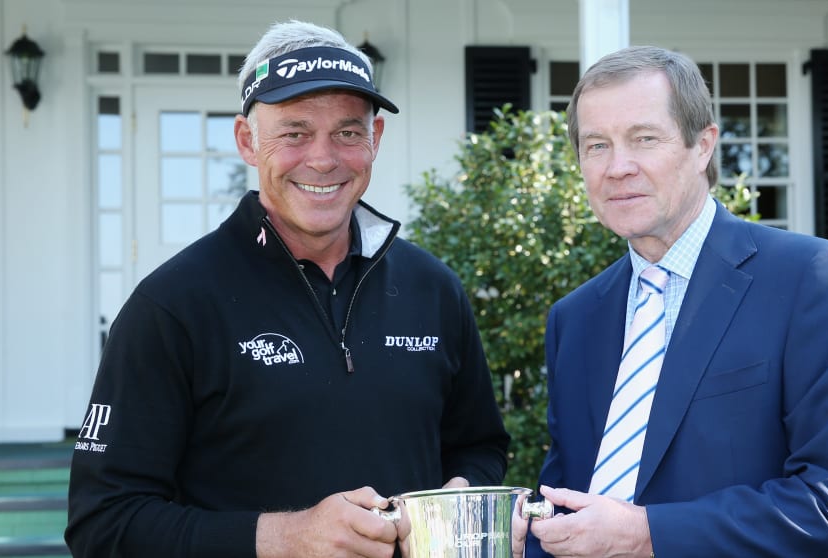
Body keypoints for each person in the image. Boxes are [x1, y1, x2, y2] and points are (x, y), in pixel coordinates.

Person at [65, 19, 509, 558]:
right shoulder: (172, 305)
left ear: (376, 139)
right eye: (294, 132)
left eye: (348, 132)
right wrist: (286, 538)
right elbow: (104, 523)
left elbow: (478, 446)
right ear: (248, 141)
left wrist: (460, 495)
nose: (323, 159)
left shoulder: (434, 289)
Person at [512, 45, 828, 557]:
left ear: (703, 145)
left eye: (644, 139)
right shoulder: (575, 318)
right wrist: (525, 534)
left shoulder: (810, 280)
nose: (618, 167)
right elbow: (571, 505)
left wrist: (647, 534)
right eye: (596, 145)